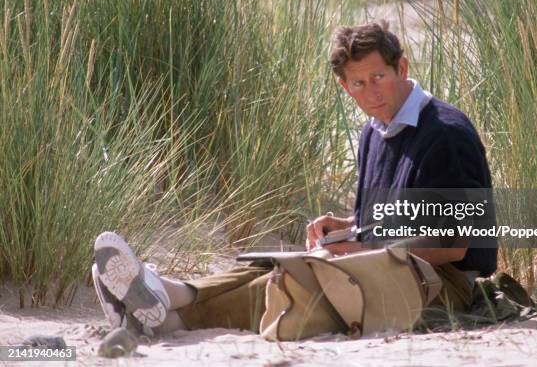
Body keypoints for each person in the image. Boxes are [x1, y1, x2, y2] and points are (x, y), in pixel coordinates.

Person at [92, 20, 497, 335]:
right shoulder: (374, 131)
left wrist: (362, 250)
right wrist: (347, 227)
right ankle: (169, 293)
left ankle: (166, 318)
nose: (372, 92)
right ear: (345, 87)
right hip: (395, 263)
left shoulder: (444, 134)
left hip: (444, 284)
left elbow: (453, 245)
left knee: (309, 279)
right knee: (282, 262)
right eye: (359, 83)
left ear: (402, 68)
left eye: (379, 77)